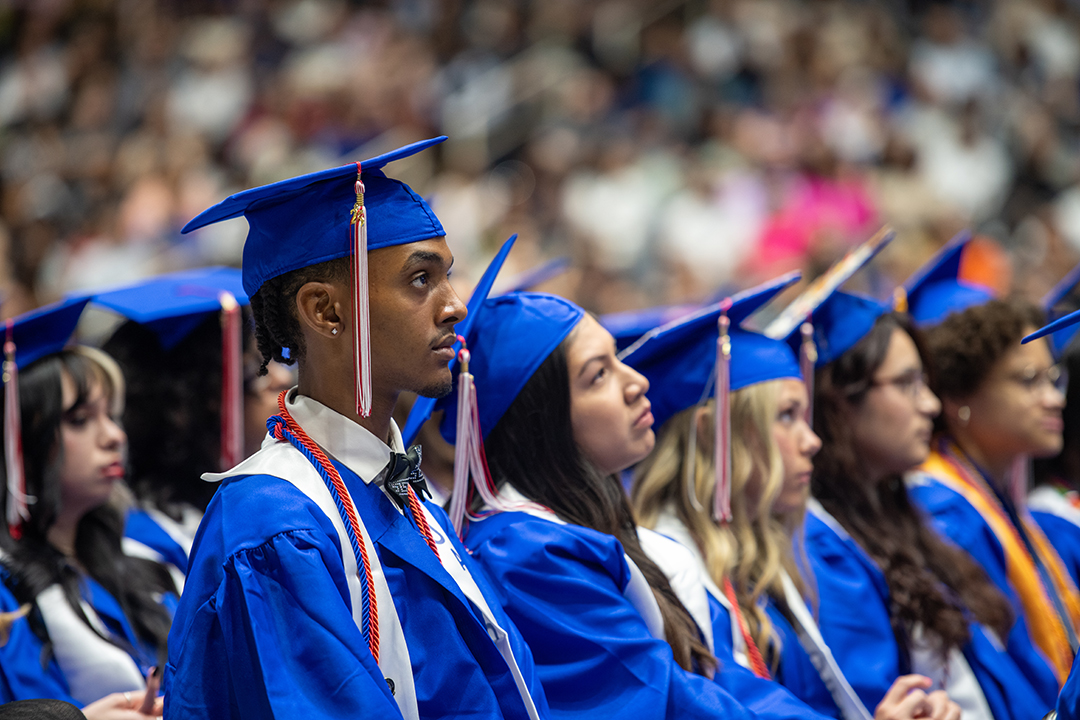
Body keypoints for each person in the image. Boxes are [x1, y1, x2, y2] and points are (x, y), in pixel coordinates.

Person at [164, 137, 548, 720]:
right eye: (421, 280)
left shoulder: (398, 486)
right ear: (327, 312)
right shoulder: (274, 523)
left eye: (448, 276)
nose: (455, 306)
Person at [425, 286, 817, 720]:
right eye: (599, 375)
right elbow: (664, 697)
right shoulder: (526, 553)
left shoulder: (580, 528)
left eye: (618, 360)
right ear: (541, 422)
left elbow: (714, 676)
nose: (636, 382)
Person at [627, 281, 960, 720]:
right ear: (714, 433)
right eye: (786, 416)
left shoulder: (767, 556)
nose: (812, 441)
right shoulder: (662, 575)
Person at [805, 290, 1059, 716]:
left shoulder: (902, 520)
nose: (931, 404)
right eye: (907, 384)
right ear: (840, 401)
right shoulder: (825, 550)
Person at [0, 297, 173, 715]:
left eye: (111, 415)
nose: (114, 435)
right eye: (80, 420)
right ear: (19, 442)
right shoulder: (6, 597)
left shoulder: (139, 553)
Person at [911, 298, 1080, 687]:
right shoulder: (942, 515)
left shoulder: (1006, 506)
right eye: (1028, 381)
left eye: (1053, 379)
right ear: (957, 399)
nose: (1055, 399)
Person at [93, 267, 292, 584]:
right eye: (256, 370)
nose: (281, 378)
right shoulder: (146, 547)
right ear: (198, 400)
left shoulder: (265, 503)